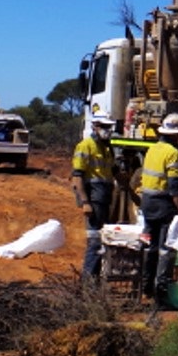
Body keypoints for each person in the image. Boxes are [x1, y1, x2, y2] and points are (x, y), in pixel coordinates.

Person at [140, 112, 178, 308]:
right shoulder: (173, 154)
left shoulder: (152, 149)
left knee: (150, 248)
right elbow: (175, 187)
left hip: (147, 203)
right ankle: (161, 297)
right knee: (165, 251)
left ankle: (146, 289)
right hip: (163, 205)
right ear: (177, 134)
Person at [71, 115, 118, 282]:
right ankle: (87, 283)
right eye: (104, 126)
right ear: (95, 126)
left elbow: (112, 170)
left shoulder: (107, 148)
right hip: (93, 199)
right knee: (94, 242)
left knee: (102, 241)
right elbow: (77, 177)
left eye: (109, 127)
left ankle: (95, 280)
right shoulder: (85, 146)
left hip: (104, 198)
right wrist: (85, 202)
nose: (108, 130)